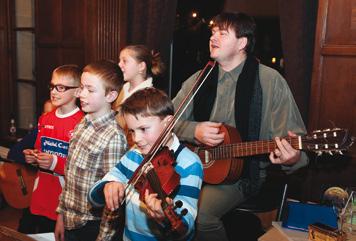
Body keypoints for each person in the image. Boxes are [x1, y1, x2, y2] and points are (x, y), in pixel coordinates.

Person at [172, 12, 309, 241]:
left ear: (242, 43)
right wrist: (193, 131)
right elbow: (168, 122)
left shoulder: (269, 80)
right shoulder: (200, 78)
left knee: (199, 214)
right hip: (193, 165)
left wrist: (293, 158)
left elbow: (295, 141)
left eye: (222, 33)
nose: (213, 36)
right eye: (213, 31)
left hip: (244, 175)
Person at [88, 87, 203, 241]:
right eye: (132, 131)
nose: (136, 139)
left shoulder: (190, 164)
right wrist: (108, 185)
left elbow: (186, 228)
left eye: (143, 129)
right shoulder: (134, 155)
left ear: (168, 123)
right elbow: (94, 197)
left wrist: (165, 217)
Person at [55, 60, 127, 241]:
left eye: (90, 90)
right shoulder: (83, 123)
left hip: (91, 227)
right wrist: (61, 215)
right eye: (82, 87)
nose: (82, 95)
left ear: (110, 95)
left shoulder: (114, 137)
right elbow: (69, 174)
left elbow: (112, 204)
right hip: (71, 219)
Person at [20, 65, 84, 233]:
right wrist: (33, 157)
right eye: (52, 86)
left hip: (64, 202)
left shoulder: (82, 124)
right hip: (40, 195)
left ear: (78, 91)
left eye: (61, 87)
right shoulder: (45, 118)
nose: (54, 92)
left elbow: (81, 170)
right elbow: (40, 152)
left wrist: (54, 162)